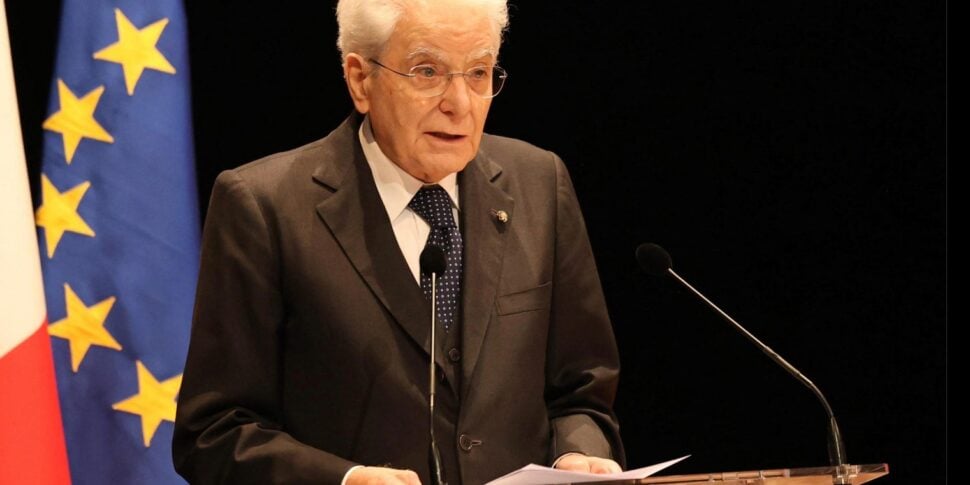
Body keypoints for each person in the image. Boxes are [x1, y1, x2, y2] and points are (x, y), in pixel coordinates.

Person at [172, 0, 624, 483]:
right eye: (427, 71)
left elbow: (582, 393)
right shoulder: (264, 206)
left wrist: (577, 454)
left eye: (478, 73)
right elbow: (215, 432)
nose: (460, 103)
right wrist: (344, 479)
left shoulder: (540, 183)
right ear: (360, 80)